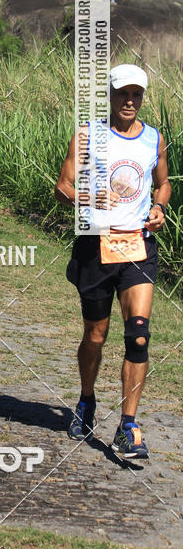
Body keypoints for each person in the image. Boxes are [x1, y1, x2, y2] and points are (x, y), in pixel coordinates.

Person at [55, 64, 171, 459]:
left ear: (142, 97)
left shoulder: (154, 138)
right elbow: (62, 186)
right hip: (96, 248)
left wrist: (159, 207)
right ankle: (86, 399)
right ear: (110, 94)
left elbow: (164, 182)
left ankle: (128, 426)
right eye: (123, 93)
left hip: (138, 245)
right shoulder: (89, 134)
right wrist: (84, 198)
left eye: (137, 94)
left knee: (138, 334)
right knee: (96, 337)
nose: (129, 100)